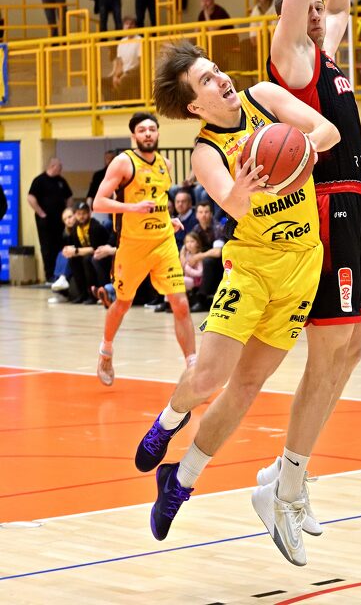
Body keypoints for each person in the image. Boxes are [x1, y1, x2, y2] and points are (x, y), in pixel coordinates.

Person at [133, 42, 340, 566]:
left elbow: (328, 132)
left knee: (247, 387)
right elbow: (234, 202)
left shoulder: (264, 97)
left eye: (217, 70)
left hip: (302, 265)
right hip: (251, 267)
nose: (221, 79)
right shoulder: (206, 152)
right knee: (209, 378)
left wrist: (295, 151)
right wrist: (252, 180)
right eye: (206, 80)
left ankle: (180, 481)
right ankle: (168, 420)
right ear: (194, 105)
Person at [259, 0, 361, 539]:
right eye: (302, 4)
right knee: (326, 351)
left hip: (356, 204)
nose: (314, 11)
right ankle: (287, 485)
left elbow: (338, 9)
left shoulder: (324, 52)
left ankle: (289, 474)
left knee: (351, 351)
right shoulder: (289, 56)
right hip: (325, 204)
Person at [92, 112, 197, 387]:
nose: (148, 133)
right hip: (132, 246)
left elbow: (157, 201)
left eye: (152, 129)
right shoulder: (123, 162)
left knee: (180, 304)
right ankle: (106, 351)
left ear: (158, 133)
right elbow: (98, 203)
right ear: (134, 136)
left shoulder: (166, 164)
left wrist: (168, 219)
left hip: (163, 243)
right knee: (122, 303)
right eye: (142, 130)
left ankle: (193, 368)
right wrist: (132, 208)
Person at [27, 157, 73, 281]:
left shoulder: (61, 181)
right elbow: (31, 198)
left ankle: (61, 274)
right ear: (53, 166)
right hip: (46, 221)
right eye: (59, 166)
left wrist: (68, 212)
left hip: (61, 221)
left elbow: (69, 197)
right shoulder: (39, 180)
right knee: (47, 247)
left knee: (61, 245)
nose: (61, 169)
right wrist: (41, 213)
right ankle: (49, 275)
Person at [62, 202, 113, 305]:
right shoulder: (76, 228)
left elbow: (94, 249)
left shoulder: (95, 226)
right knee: (73, 260)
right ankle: (82, 294)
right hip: (88, 254)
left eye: (84, 213)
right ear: (75, 215)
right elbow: (76, 246)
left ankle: (92, 295)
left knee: (87, 259)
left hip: (104, 254)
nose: (81, 216)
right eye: (79, 214)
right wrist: (69, 251)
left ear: (89, 213)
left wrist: (76, 251)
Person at [102, 16, 142, 101]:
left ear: (136, 27)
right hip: (124, 73)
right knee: (102, 81)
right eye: (126, 24)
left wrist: (126, 74)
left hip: (135, 73)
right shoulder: (122, 42)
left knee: (124, 80)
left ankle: (121, 103)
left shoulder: (140, 40)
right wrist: (116, 76)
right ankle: (110, 103)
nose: (129, 26)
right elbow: (120, 64)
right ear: (123, 27)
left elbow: (141, 63)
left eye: (131, 24)